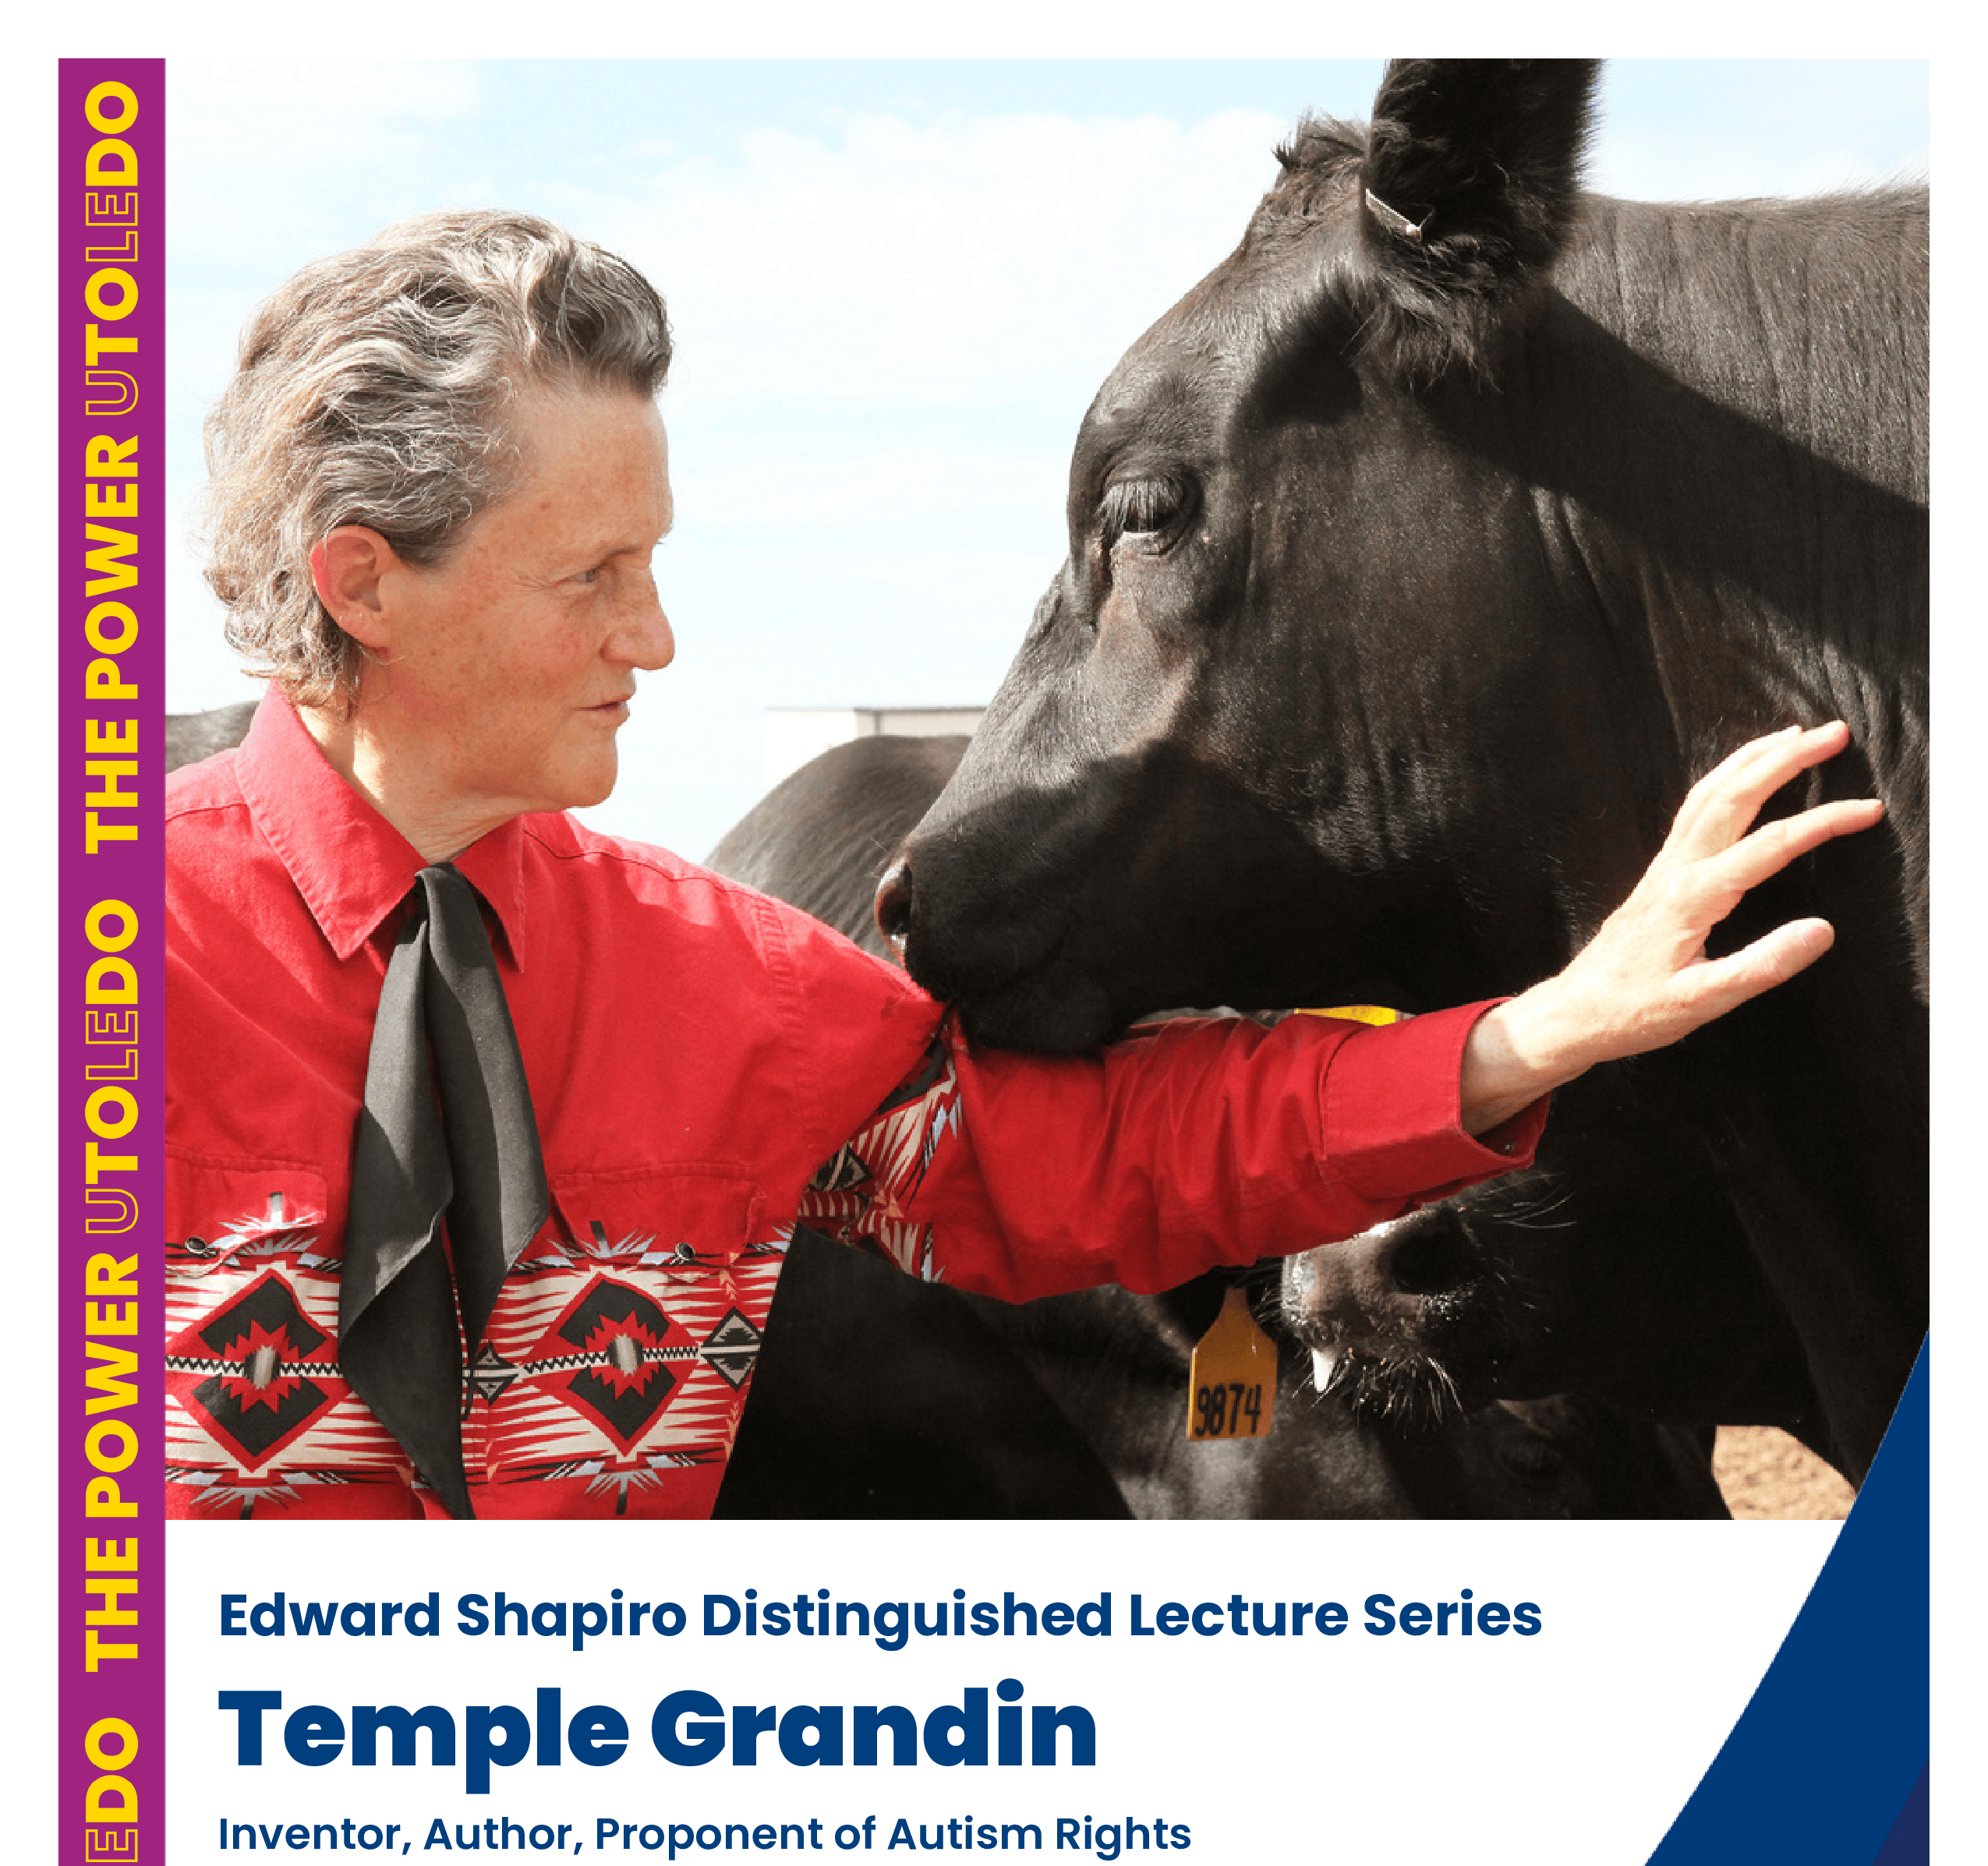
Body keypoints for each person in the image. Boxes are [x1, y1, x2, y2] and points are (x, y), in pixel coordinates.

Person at [165, 213, 1879, 1521]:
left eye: (655, 561)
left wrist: (1545, 1030)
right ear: (366, 584)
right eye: (590, 575)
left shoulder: (718, 986)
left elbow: (1086, 1154)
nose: (659, 637)